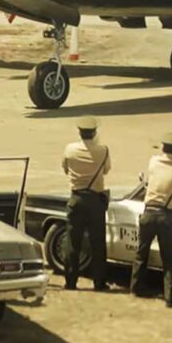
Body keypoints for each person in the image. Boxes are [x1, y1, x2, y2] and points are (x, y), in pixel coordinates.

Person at [130, 132, 172, 307]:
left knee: (141, 253)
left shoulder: (153, 162)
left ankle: (136, 287)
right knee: (168, 259)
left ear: (163, 148)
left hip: (148, 213)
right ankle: (169, 296)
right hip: (167, 217)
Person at [61, 116, 112, 291]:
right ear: (94, 132)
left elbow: (65, 168)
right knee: (98, 243)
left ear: (79, 132)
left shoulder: (70, 149)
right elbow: (106, 170)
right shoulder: (103, 150)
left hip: (76, 198)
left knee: (73, 243)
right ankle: (99, 282)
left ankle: (70, 282)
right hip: (95, 200)